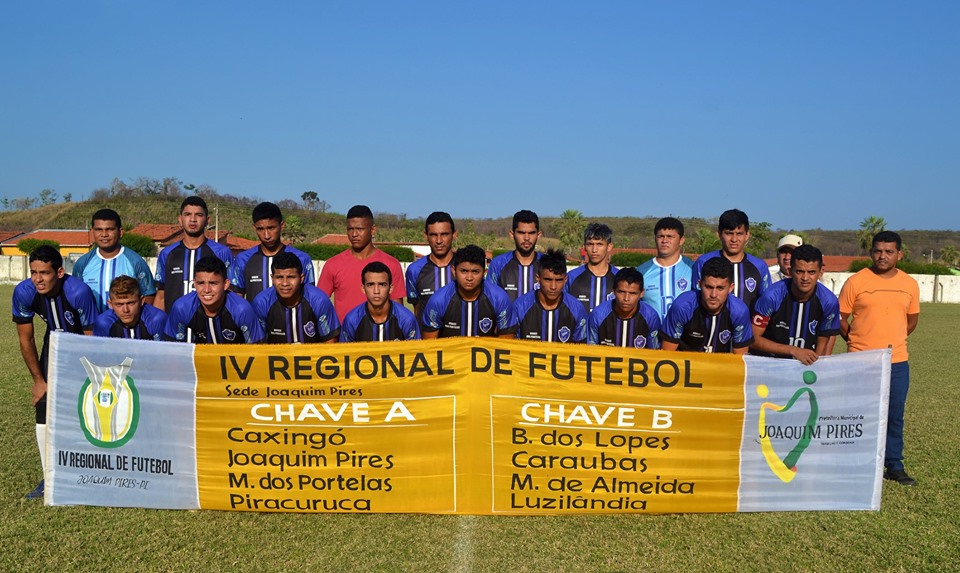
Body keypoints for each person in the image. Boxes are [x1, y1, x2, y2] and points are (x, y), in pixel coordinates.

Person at [12, 245, 98, 499]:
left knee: (85, 405)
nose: (38, 279)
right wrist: (39, 380)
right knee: (44, 403)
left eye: (45, 273)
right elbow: (26, 339)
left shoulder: (79, 292)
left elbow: (91, 338)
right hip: (55, 342)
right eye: (33, 272)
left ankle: (88, 471)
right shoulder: (24, 292)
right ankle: (49, 476)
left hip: (84, 344)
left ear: (59, 272)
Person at [839, 231, 920, 486]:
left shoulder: (909, 284)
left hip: (896, 361)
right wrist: (857, 340)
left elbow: (911, 320)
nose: (882, 256)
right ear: (871, 252)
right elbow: (841, 318)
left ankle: (894, 465)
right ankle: (856, 462)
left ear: (899, 254)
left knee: (894, 415)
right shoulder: (856, 281)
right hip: (861, 360)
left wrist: (892, 340)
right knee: (859, 413)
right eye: (878, 251)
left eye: (889, 251)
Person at [750, 245, 839, 364]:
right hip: (768, 366)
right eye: (799, 271)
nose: (805, 278)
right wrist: (793, 350)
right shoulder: (771, 296)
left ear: (821, 272)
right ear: (790, 270)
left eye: (811, 272)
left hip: (804, 368)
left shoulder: (829, 301)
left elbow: (823, 341)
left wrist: (816, 367)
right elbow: (752, 339)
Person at [318, 205, 406, 322]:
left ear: (373, 230)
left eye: (360, 229)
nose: (354, 234)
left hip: (380, 338)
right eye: (350, 229)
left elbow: (398, 311)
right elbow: (319, 305)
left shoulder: (391, 264)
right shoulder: (332, 264)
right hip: (344, 338)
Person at [154, 196, 234, 313]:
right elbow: (161, 296)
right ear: (180, 219)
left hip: (209, 327)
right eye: (187, 214)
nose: (193, 219)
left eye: (199, 215)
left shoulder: (221, 252)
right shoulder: (167, 253)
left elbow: (231, 293)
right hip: (174, 328)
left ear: (207, 220)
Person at [662, 257, 754, 354]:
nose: (713, 295)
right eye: (709, 287)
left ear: (731, 288)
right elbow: (667, 354)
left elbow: (740, 358)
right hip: (686, 365)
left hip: (720, 366)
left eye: (720, 288)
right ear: (700, 284)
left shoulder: (739, 311)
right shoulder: (683, 306)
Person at [422, 244, 517, 338]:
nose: (469, 278)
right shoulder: (438, 301)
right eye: (464, 271)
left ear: (484, 272)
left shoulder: (500, 299)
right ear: (454, 271)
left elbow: (505, 347)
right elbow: (430, 347)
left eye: (475, 271)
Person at [71, 208, 156, 311]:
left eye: (110, 229)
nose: (104, 234)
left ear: (120, 232)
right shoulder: (82, 263)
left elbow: (148, 295)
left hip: (126, 326)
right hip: (92, 326)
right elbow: (75, 296)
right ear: (92, 231)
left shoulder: (136, 262)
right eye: (99, 229)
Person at [164, 256, 263, 344]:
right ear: (194, 283)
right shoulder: (182, 307)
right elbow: (172, 349)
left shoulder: (241, 310)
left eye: (213, 283)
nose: (206, 290)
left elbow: (257, 351)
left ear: (226, 284)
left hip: (236, 361)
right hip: (202, 361)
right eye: (201, 283)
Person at [231, 201, 315, 302]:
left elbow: (310, 298)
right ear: (254, 228)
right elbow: (236, 300)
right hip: (255, 318)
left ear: (282, 225)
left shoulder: (302, 258)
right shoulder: (243, 259)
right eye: (260, 229)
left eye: (271, 228)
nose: (266, 235)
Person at [691, 209, 770, 312]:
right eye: (729, 233)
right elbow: (695, 298)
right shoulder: (703, 261)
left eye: (739, 234)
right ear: (719, 234)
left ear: (747, 235)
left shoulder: (759, 266)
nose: (734, 239)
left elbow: (766, 303)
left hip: (747, 327)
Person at [252, 252, 340, 344]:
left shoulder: (319, 301)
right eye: (279, 277)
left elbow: (330, 343)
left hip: (313, 357)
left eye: (291, 277)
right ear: (272, 278)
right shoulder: (261, 303)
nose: (285, 283)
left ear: (301, 278)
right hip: (277, 357)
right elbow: (258, 345)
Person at [513, 249, 588, 343]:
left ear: (565, 279)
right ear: (538, 278)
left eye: (559, 280)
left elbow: (582, 350)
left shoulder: (577, 309)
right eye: (548, 280)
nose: (553, 287)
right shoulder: (520, 307)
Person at [341, 261, 421, 342]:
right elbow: (344, 353)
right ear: (363, 288)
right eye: (370, 285)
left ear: (391, 288)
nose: (376, 291)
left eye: (382, 284)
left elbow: (415, 352)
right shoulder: (351, 320)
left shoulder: (406, 319)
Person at [587, 267, 662, 349]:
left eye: (632, 293)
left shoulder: (651, 317)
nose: (626, 298)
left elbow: (654, 354)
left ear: (641, 293)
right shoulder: (598, 315)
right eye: (621, 292)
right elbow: (591, 352)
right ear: (614, 291)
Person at [638, 217, 695, 320]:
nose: (665, 240)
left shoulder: (693, 268)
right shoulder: (641, 272)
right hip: (652, 335)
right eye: (660, 236)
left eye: (670, 236)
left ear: (681, 240)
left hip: (685, 335)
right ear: (655, 239)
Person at [405, 211, 457, 318]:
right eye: (433, 235)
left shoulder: (465, 268)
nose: (439, 240)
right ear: (426, 235)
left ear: (454, 234)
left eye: (444, 234)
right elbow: (417, 309)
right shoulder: (414, 270)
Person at [486, 210, 542, 302]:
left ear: (538, 235)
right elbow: (490, 299)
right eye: (521, 233)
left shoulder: (547, 264)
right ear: (512, 234)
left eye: (531, 233)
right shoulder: (498, 264)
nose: (527, 238)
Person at [93, 276, 168, 340]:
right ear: (110, 304)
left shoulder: (156, 320)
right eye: (119, 304)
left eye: (130, 303)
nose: (126, 310)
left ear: (142, 301)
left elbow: (164, 354)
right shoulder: (103, 323)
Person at [565, 223, 618, 314]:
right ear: (584, 246)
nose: (594, 250)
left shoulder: (619, 277)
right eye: (590, 244)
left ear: (609, 246)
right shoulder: (572, 277)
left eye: (599, 244)